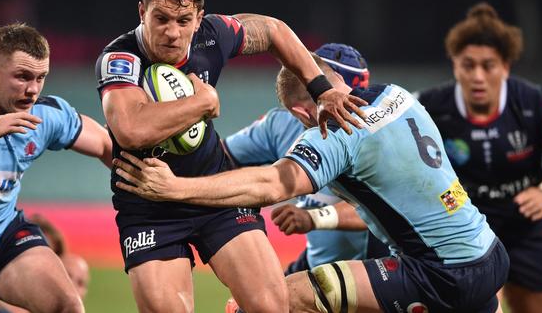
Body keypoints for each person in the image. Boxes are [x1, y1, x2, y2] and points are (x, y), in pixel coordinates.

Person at [113, 58, 509, 313]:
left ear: (300, 112)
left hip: (440, 273)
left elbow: (271, 184)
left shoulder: (336, 133)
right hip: (490, 252)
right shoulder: (398, 95)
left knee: (276, 299)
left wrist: (174, 188)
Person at [94, 0, 365, 313]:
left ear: (199, 17)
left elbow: (272, 30)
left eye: (183, 21)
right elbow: (130, 130)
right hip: (149, 205)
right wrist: (202, 102)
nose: (172, 33)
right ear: (142, 11)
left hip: (216, 192)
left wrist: (321, 90)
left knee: (272, 306)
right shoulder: (121, 58)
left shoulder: (212, 35)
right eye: (160, 19)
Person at [0, 23, 112, 313]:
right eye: (23, 77)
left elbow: (105, 146)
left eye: (41, 78)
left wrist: (158, 186)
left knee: (67, 306)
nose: (33, 90)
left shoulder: (44, 115)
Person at [415, 2, 542, 313]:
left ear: (505, 66)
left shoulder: (533, 102)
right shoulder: (429, 107)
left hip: (525, 228)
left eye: (488, 65)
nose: (477, 76)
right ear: (455, 65)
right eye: (468, 65)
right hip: (463, 229)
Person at [223, 43, 387, 274]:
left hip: (374, 266)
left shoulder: (372, 134)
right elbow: (222, 156)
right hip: (315, 265)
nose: (353, 104)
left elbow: (383, 209)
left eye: (357, 96)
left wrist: (314, 218)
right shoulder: (280, 124)